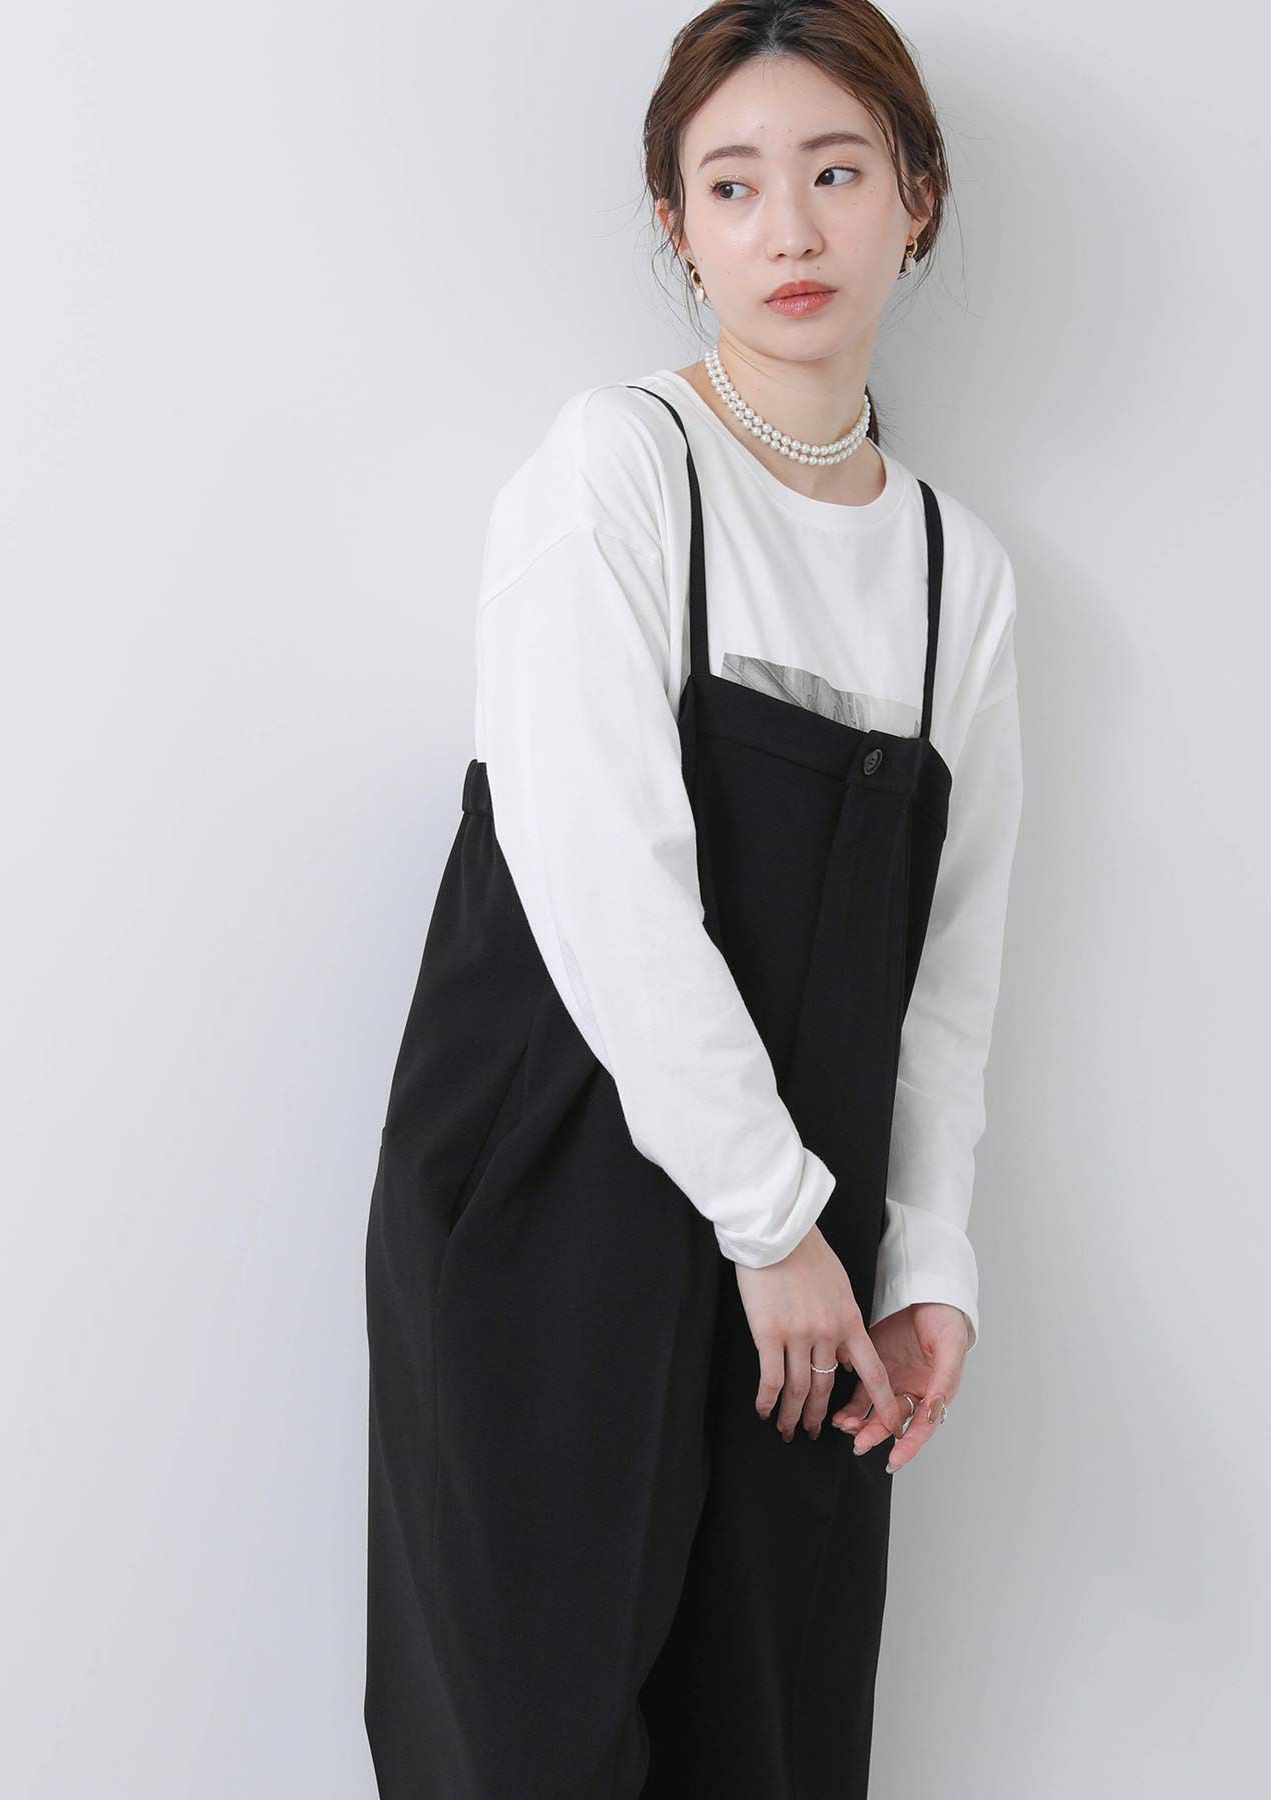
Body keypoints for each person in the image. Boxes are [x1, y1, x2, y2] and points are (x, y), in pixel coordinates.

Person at [364, 3, 1023, 1794]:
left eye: (836, 172)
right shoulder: (619, 465)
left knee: (773, 1739)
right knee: (527, 1740)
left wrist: (923, 1260)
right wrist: (771, 1220)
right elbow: (599, 874)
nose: (788, 229)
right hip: (557, 1189)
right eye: (732, 186)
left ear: (918, 195)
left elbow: (945, 976)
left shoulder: (958, 573)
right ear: (677, 223)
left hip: (809, 1237)